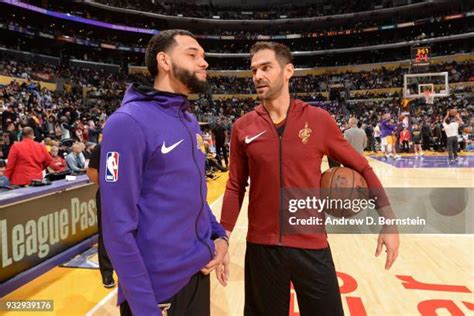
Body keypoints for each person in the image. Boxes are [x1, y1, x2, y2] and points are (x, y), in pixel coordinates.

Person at [220, 42, 399, 316]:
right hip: (262, 248)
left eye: (266, 67)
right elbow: (235, 186)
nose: (257, 76)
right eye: (254, 69)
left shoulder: (318, 120)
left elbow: (363, 168)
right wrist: (223, 236)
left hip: (311, 244)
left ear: (288, 71)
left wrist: (388, 222)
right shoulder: (242, 127)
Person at [99, 30, 229, 316]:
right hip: (157, 290)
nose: (203, 62)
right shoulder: (127, 123)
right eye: (193, 54)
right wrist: (144, 307)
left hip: (198, 274)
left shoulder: (190, 121)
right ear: (164, 61)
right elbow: (116, 227)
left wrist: (220, 237)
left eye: (204, 56)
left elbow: (192, 196)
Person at [86, 144, 115, 288]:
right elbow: (91, 172)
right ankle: (107, 273)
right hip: (107, 195)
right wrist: (106, 187)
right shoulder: (101, 148)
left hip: (131, 193)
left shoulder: (131, 143)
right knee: (106, 233)